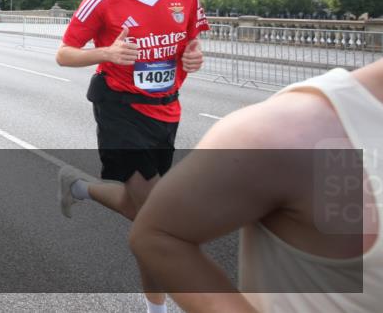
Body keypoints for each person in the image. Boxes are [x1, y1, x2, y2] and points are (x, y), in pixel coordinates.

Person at [128, 58, 382, 313]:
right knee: (136, 192)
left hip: (157, 114)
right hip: (127, 109)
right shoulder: (292, 128)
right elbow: (158, 234)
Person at [55, 0, 207, 313]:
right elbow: (65, 53)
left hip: (166, 111)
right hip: (119, 109)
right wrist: (106, 54)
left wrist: (193, 56)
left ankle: (80, 187)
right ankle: (157, 308)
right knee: (159, 222)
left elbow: (192, 43)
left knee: (148, 216)